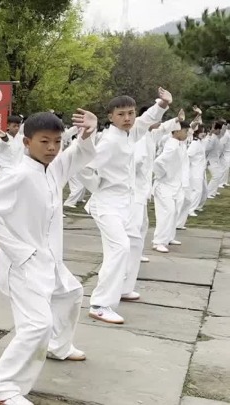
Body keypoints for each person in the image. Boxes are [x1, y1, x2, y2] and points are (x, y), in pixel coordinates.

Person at [0, 109, 98, 405]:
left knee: (72, 293)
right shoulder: (19, 174)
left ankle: (59, 345)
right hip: (24, 265)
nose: (53, 148)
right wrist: (17, 250)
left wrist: (88, 135)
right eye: (45, 142)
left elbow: (78, 155)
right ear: (27, 142)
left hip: (49, 260)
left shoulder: (52, 167)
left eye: (57, 141)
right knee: (36, 325)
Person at [77, 87, 172, 324]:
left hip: (126, 203)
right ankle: (100, 304)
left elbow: (147, 119)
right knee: (119, 248)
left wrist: (162, 104)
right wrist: (98, 186)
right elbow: (85, 166)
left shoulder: (131, 132)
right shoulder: (109, 141)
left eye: (130, 113)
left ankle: (123, 288)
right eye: (121, 114)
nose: (128, 118)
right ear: (111, 117)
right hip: (107, 204)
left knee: (132, 244)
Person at [151, 121, 191, 252]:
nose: (187, 134)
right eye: (185, 131)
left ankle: (168, 237)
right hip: (165, 185)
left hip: (176, 185)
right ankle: (158, 241)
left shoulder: (180, 145)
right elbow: (158, 163)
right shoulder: (171, 145)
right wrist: (162, 176)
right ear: (177, 131)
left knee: (174, 212)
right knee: (166, 213)